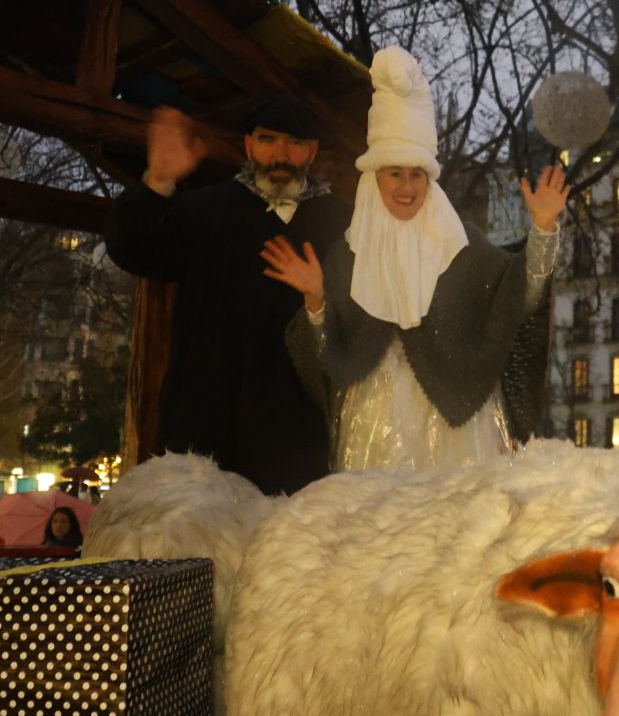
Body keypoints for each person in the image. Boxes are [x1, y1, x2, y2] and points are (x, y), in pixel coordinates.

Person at [263, 46, 570, 471]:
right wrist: (316, 299)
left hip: (459, 429)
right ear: (375, 177)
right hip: (372, 429)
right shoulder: (347, 255)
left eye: (416, 174)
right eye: (395, 173)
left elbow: (521, 294)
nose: (406, 187)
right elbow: (329, 358)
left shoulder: (462, 245)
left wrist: (543, 229)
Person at [107, 96, 352, 495]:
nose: (280, 155)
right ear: (249, 145)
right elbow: (133, 250)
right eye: (267, 140)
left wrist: (322, 293)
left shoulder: (345, 224)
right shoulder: (202, 211)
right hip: (207, 429)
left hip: (298, 437)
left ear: (311, 151)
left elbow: (362, 329)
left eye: (294, 142)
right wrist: (158, 182)